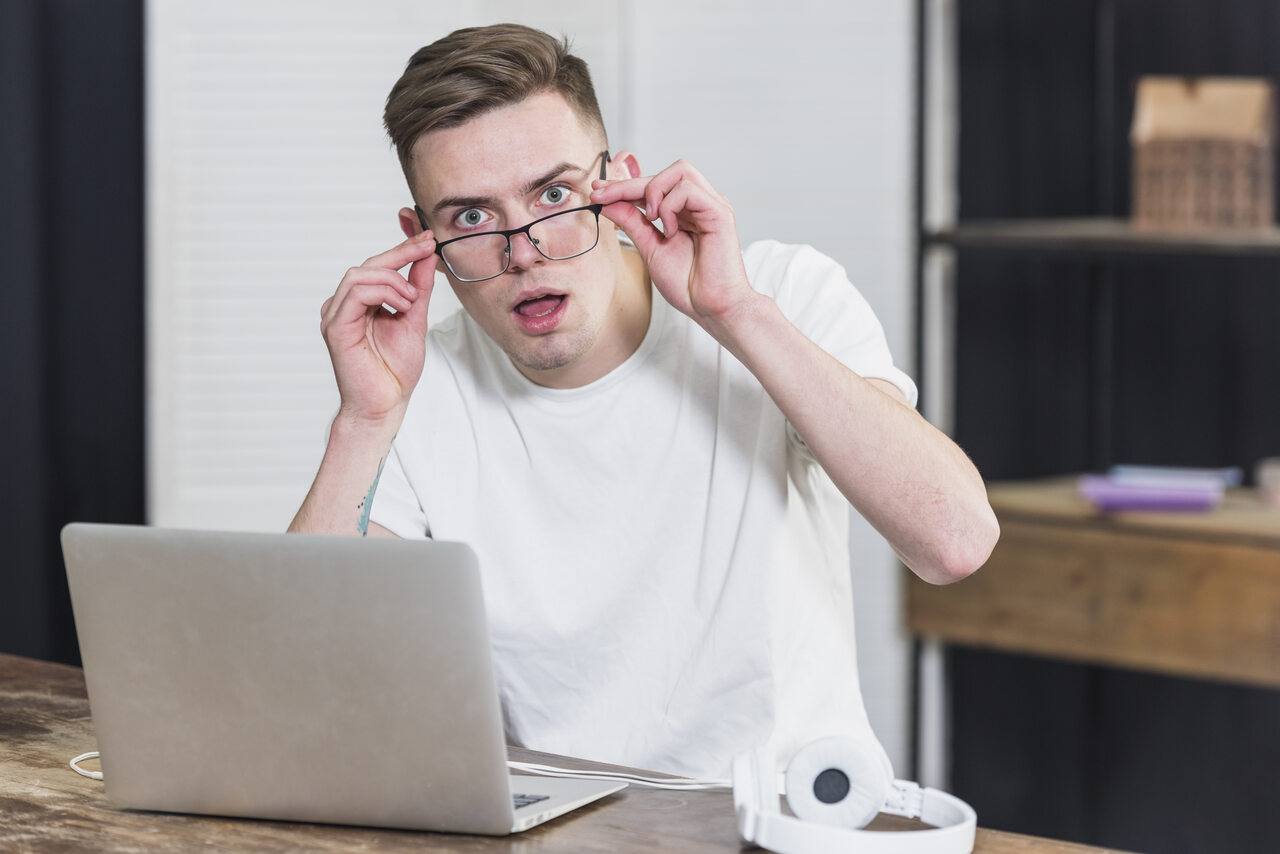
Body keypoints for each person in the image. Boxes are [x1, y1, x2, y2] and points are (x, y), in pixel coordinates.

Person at [290, 23, 999, 779]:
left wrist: (733, 313)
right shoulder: (412, 390)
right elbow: (301, 678)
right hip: (554, 828)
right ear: (419, 239)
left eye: (553, 195)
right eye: (471, 217)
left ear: (618, 183)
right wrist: (362, 421)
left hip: (785, 821)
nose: (522, 252)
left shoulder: (781, 296)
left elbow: (954, 542)